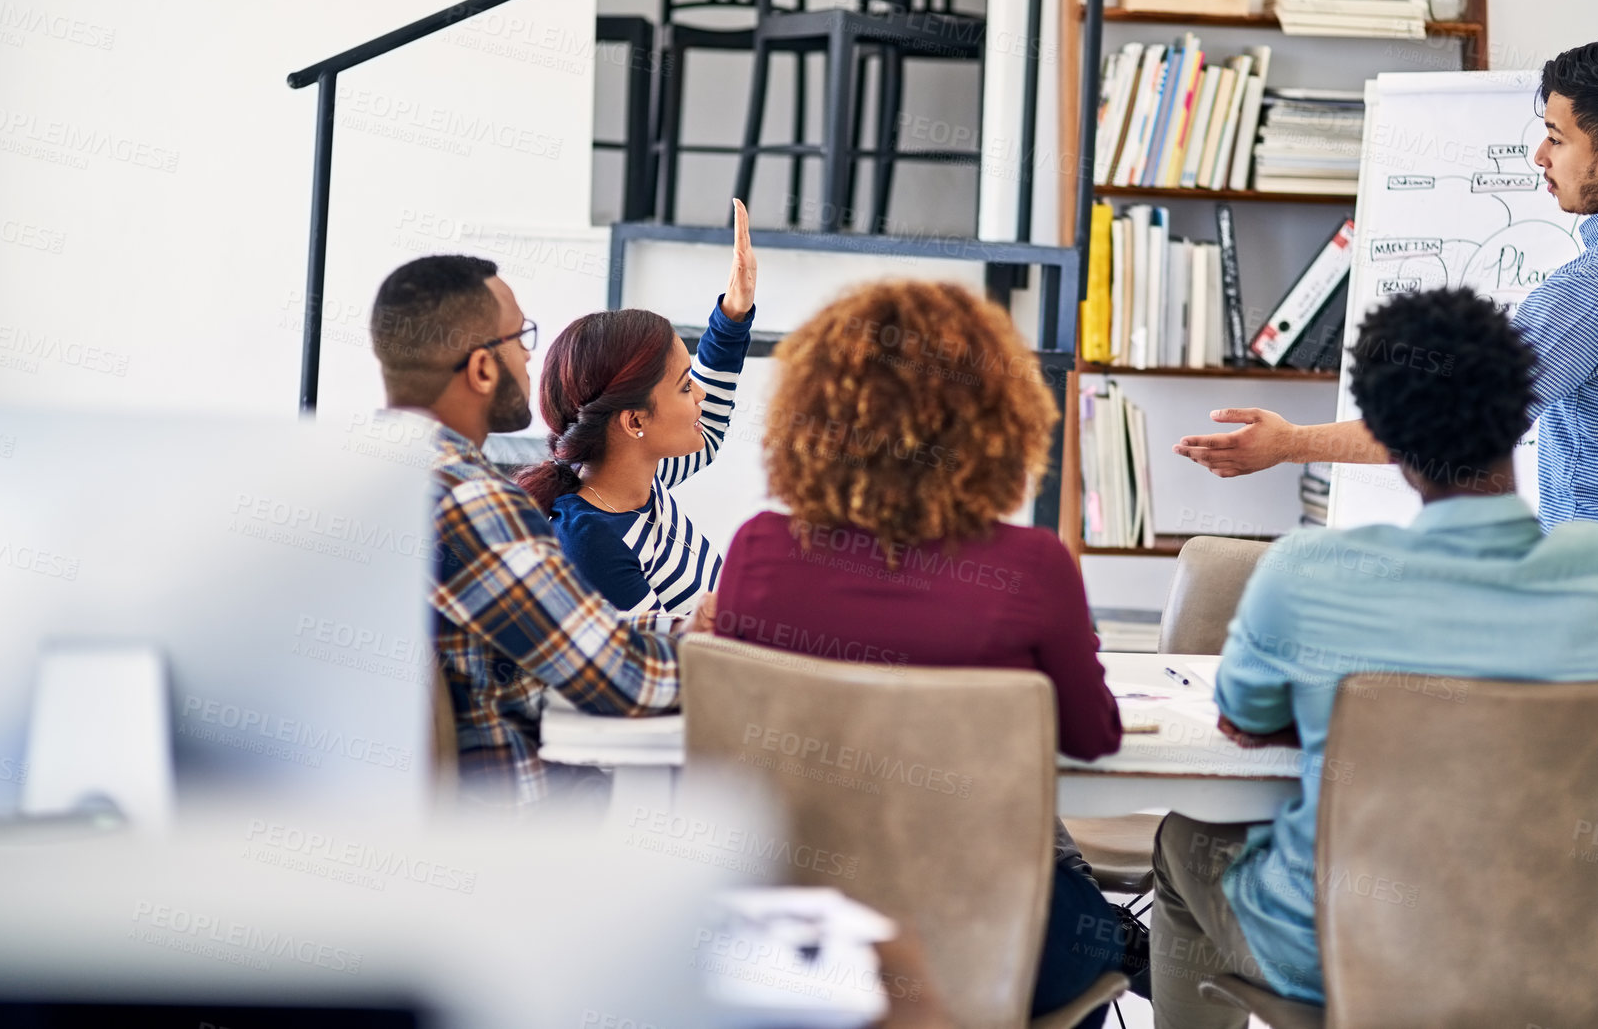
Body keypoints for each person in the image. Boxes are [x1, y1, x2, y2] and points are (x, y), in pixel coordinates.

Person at [1171, 36, 1598, 1007]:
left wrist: (1292, 443)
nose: (1539, 158)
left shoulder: (1594, 289)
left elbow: (1456, 409)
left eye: (1553, 138)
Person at [1150, 287, 1598, 1028]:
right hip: (1567, 951)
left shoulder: (1308, 573)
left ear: (1388, 436)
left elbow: (1241, 717)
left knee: (1184, 838)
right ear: (1523, 407)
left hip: (1354, 957)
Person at [712, 279, 1141, 1025]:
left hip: (802, 934)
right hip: (994, 938)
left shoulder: (756, 552)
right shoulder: (1032, 566)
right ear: (994, 421)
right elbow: (1091, 737)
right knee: (1099, 934)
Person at [369, 253, 683, 811]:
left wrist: (675, 626)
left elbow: (543, 631)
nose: (529, 354)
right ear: (483, 369)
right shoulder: (472, 500)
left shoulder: (372, 476)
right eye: (521, 337)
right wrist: (735, 653)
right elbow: (628, 681)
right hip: (519, 834)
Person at [517, 200, 757, 618]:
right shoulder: (593, 543)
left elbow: (710, 427)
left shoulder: (635, 477)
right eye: (686, 387)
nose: (699, 395)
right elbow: (662, 668)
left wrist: (733, 313)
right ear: (634, 421)